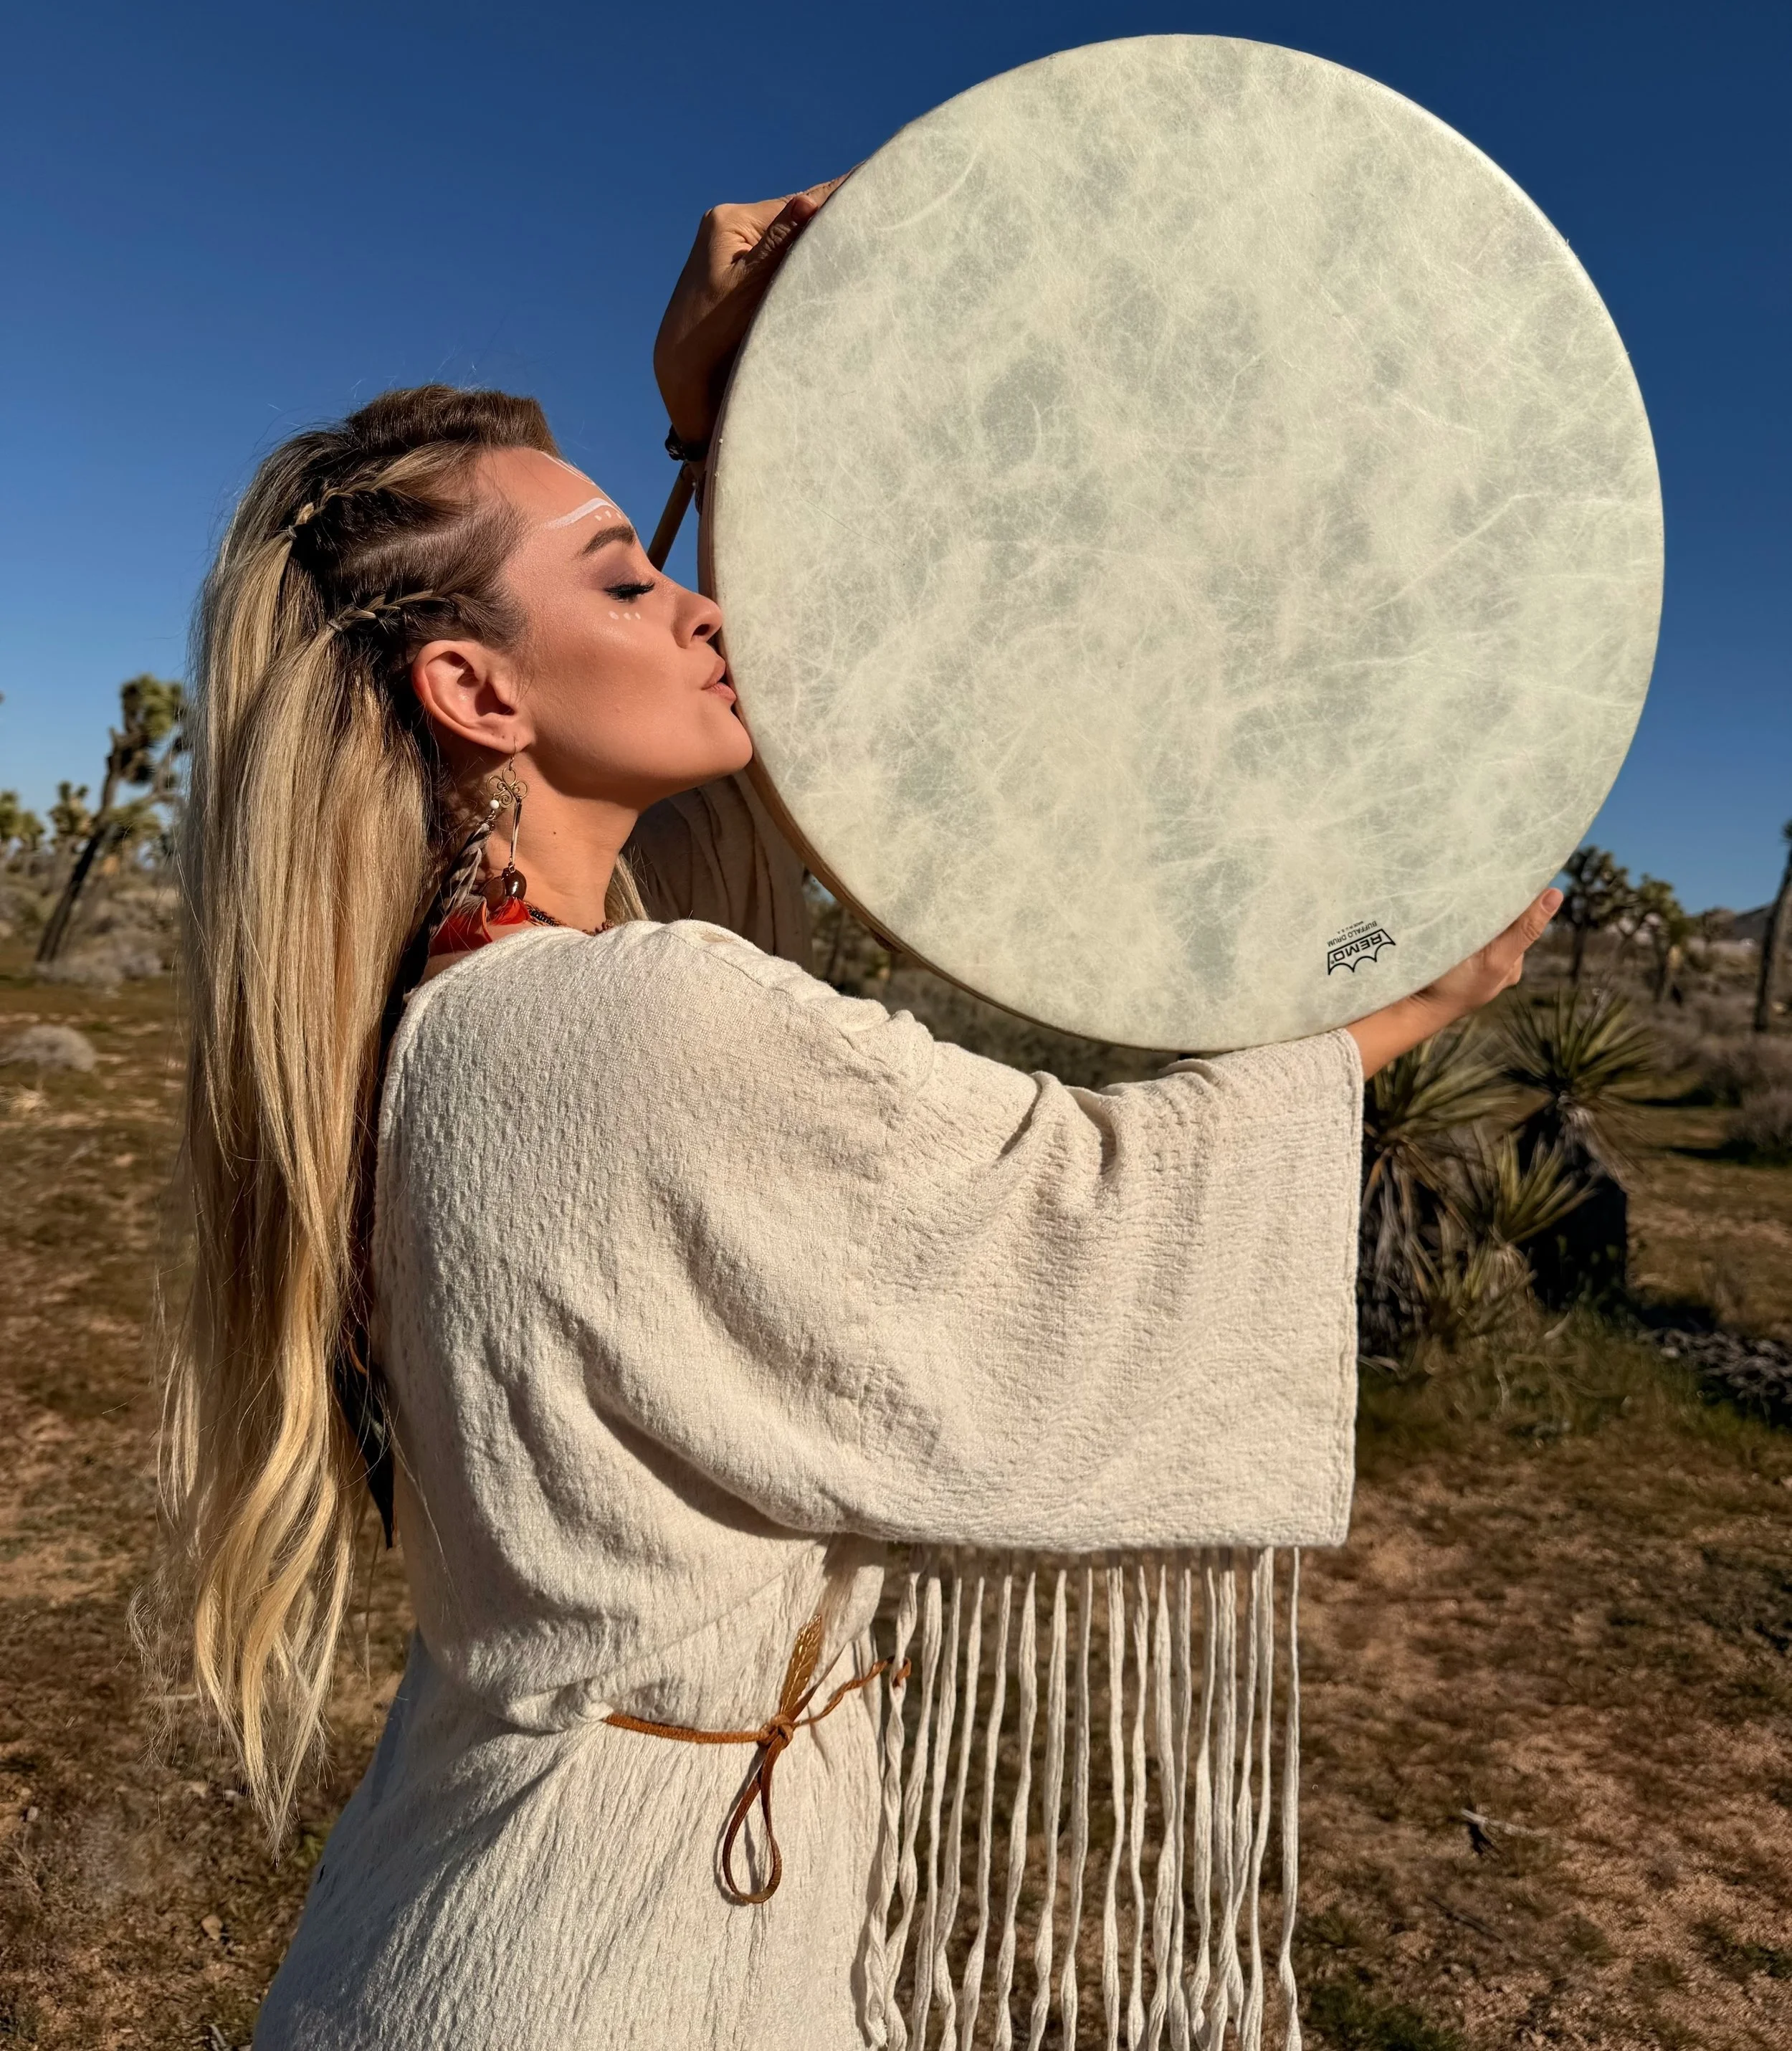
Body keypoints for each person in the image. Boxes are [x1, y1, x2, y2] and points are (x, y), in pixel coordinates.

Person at [160, 184, 1560, 2049]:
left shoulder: (457, 1019)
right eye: (625, 577)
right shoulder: (631, 1021)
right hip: (604, 1975)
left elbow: (743, 832)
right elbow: (1069, 1222)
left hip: (497, 1905)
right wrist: (1409, 994)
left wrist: (715, 414)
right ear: (474, 688)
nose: (699, 600)